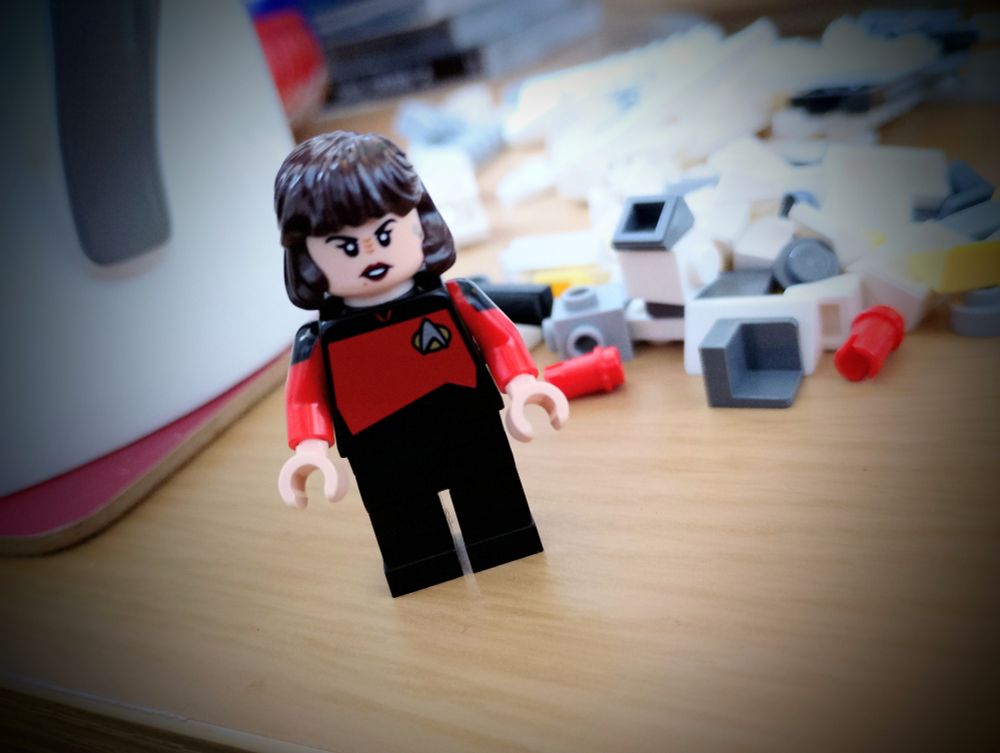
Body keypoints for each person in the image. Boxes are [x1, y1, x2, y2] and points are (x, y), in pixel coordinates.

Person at [274, 131, 568, 597]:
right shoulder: (317, 339)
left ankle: (502, 537)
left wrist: (522, 384)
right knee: (408, 532)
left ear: (419, 223)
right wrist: (310, 449)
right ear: (306, 256)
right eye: (345, 246)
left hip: (465, 418)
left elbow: (499, 338)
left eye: (384, 234)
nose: (370, 254)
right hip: (378, 443)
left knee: (494, 506)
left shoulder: (455, 296)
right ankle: (421, 562)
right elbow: (305, 399)